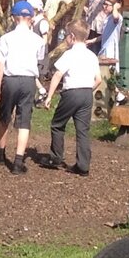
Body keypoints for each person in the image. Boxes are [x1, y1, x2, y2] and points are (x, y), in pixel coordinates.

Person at [0, 0, 46, 174]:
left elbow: (0, 65)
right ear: (30, 18)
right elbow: (39, 61)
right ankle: (17, 161)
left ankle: (0, 153)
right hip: (29, 81)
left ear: (14, 18)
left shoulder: (6, 38)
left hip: (10, 80)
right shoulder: (38, 40)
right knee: (24, 122)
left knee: (4, 117)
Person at [41, 19, 99, 176]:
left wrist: (49, 96)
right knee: (83, 130)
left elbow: (58, 74)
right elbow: (98, 80)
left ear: (72, 37)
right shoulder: (92, 55)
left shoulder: (69, 54)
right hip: (87, 93)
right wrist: (86, 89)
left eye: (66, 35)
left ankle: (56, 158)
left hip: (71, 93)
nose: (65, 37)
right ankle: (83, 166)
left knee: (57, 124)